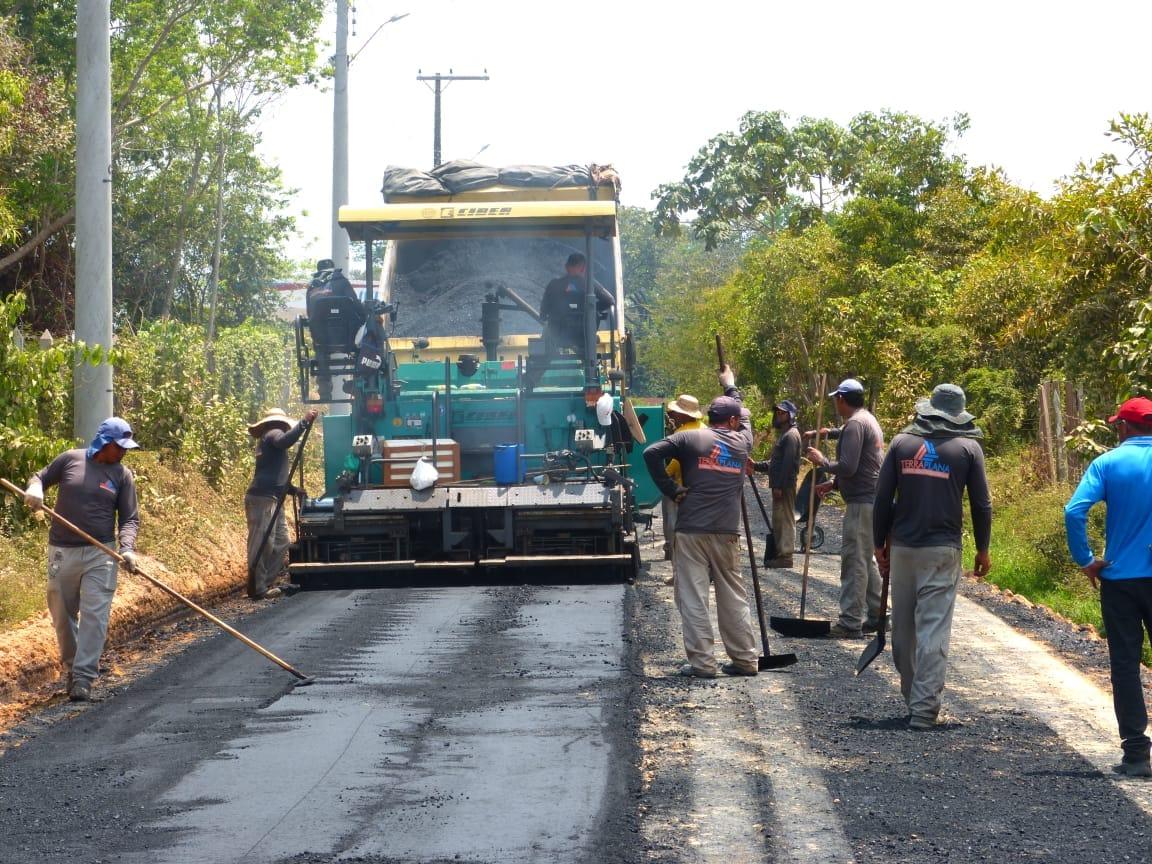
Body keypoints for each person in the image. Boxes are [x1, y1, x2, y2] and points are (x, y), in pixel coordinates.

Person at [873, 384, 992, 730]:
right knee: (933, 628)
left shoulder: (901, 443)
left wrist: (878, 543)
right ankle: (924, 709)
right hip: (942, 550)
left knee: (904, 630)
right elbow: (981, 504)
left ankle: (914, 699)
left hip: (903, 550)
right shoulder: (968, 449)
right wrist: (983, 548)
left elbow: (882, 498)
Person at [643, 365, 760, 678]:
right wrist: (730, 384)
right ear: (732, 421)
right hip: (727, 531)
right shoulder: (743, 442)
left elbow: (651, 453)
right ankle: (745, 660)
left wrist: (670, 489)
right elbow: (744, 414)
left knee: (693, 597)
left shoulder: (689, 438)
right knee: (733, 596)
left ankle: (704, 664)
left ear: (711, 417)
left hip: (692, 530)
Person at [1064, 395, 1152, 776]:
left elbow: (1074, 510)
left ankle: (1136, 755)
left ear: (1124, 427)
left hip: (1120, 581)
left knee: (1126, 664)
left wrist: (1086, 560)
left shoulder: (1107, 463)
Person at [24, 417, 141, 702]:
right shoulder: (70, 460)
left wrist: (127, 548)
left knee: (95, 616)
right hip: (62, 552)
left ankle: (84, 677)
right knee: (62, 614)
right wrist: (35, 489)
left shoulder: (122, 475)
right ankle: (72, 668)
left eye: (125, 448)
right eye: (119, 446)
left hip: (102, 554)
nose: (123, 452)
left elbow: (129, 518)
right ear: (104, 442)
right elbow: (40, 477)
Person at [805, 377, 886, 638]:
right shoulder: (868, 419)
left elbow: (849, 466)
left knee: (854, 561)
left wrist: (823, 461)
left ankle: (850, 622)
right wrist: (835, 483)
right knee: (866, 559)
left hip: (862, 502)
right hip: (871, 500)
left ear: (841, 399)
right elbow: (864, 463)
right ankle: (878, 616)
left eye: (836, 400)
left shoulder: (855, 424)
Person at [246, 407, 318, 599]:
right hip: (262, 498)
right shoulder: (273, 433)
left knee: (281, 541)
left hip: (274, 498)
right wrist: (304, 423)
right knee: (262, 543)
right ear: (278, 422)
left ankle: (264, 583)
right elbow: (285, 441)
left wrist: (294, 490)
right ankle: (257, 588)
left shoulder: (271, 440)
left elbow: (276, 476)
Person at [659, 394, 706, 584]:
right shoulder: (706, 429)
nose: (673, 416)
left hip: (681, 489)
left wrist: (663, 476)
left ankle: (679, 574)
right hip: (704, 489)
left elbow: (676, 464)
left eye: (675, 413)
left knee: (676, 531)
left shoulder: (682, 434)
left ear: (684, 415)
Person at [752, 399, 802, 568]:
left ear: (790, 415)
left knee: (785, 519)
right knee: (779, 519)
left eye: (783, 413)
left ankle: (786, 555)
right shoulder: (784, 434)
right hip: (780, 485)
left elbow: (788, 464)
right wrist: (756, 466)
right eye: (778, 412)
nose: (779, 415)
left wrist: (779, 485)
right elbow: (776, 462)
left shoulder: (791, 435)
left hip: (785, 485)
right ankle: (780, 553)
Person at [306, 259, 364, 401]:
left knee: (320, 350)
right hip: (349, 338)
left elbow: (310, 314)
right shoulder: (342, 282)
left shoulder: (312, 287)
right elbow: (356, 305)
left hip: (323, 340)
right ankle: (359, 383)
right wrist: (365, 317)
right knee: (362, 345)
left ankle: (325, 391)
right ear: (333, 269)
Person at [539, 252, 615, 353]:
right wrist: (591, 308)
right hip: (584, 336)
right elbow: (610, 300)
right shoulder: (589, 284)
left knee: (547, 332)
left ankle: (550, 356)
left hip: (558, 336)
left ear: (566, 267)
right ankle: (585, 354)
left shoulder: (554, 285)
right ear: (583, 268)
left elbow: (543, 315)